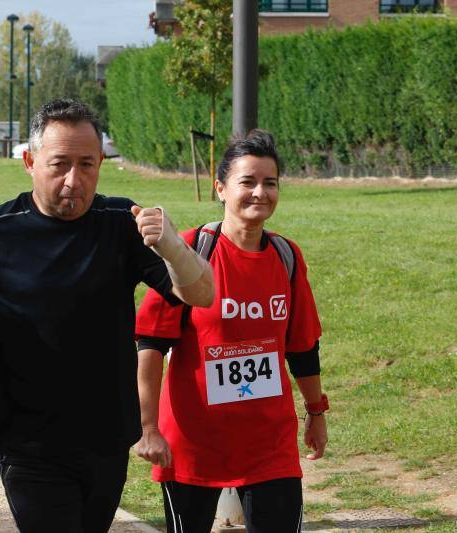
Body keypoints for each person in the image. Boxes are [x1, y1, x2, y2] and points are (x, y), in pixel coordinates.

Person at [0, 98, 214, 533]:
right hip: (27, 442)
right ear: (29, 161)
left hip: (107, 437)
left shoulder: (120, 221)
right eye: (59, 165)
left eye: (88, 165)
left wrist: (172, 247)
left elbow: (202, 294)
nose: (74, 181)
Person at [133, 130, 327, 533]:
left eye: (270, 183)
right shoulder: (189, 251)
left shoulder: (287, 257)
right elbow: (150, 343)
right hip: (193, 444)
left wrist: (316, 412)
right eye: (248, 182)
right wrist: (148, 428)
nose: (260, 192)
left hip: (268, 443)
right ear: (220, 188)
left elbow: (303, 347)